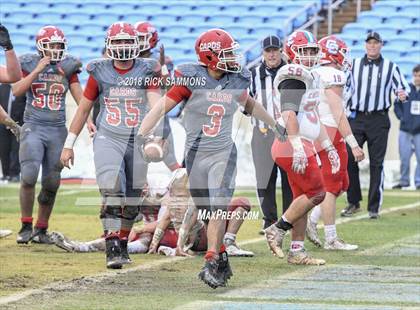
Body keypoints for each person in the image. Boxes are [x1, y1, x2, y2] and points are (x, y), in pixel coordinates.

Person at [137, 28, 286, 288]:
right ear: (209, 57)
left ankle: (211, 260)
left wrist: (274, 124)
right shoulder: (190, 79)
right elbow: (161, 108)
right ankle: (221, 254)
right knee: (207, 210)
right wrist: (141, 132)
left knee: (218, 204)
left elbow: (250, 104)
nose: (233, 59)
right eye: (227, 54)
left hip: (222, 152)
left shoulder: (233, 80)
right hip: (195, 155)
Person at [60, 22, 161, 269]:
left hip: (136, 139)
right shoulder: (100, 70)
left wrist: (154, 136)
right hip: (109, 137)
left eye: (127, 41)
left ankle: (122, 242)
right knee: (112, 188)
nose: (123, 46)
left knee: (134, 199)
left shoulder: (147, 69)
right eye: (117, 42)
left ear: (137, 44)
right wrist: (69, 144)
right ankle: (112, 244)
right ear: (108, 45)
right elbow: (84, 108)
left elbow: (157, 104)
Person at [265, 30, 339, 265]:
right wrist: (296, 145)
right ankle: (278, 228)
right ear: (292, 53)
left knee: (302, 197)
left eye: (312, 51)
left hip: (300, 142)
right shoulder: (293, 75)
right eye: (303, 51)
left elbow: (313, 115)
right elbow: (289, 113)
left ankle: (297, 250)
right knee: (317, 192)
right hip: (290, 142)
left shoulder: (312, 76)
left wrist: (328, 146)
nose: (308, 55)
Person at [12, 25, 83, 244]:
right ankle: (25, 225)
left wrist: (89, 120)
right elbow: (16, 91)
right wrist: (37, 71)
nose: (55, 49)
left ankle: (41, 229)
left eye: (58, 46)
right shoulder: (28, 62)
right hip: (33, 126)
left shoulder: (68, 65)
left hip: (57, 129)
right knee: (29, 175)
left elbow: (81, 97)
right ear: (41, 47)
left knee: (52, 181)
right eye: (51, 45)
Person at [342, 32, 410, 219]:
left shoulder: (391, 67)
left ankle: (373, 207)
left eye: (376, 43)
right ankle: (353, 201)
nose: (372, 46)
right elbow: (344, 87)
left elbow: (402, 86)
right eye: (369, 43)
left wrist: (401, 94)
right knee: (349, 157)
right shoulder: (354, 65)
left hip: (379, 119)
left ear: (381, 45)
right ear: (365, 45)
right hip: (356, 117)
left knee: (376, 164)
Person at [306, 35, 364, 250]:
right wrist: (354, 143)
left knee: (342, 183)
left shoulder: (316, 72)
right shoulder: (333, 74)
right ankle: (331, 238)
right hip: (329, 131)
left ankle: (311, 222)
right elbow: (338, 112)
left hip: (319, 130)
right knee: (330, 187)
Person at [248, 35, 292, 232]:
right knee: (264, 178)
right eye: (268, 50)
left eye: (275, 50)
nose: (272, 54)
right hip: (262, 132)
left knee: (289, 179)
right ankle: (269, 220)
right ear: (263, 53)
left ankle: (289, 219)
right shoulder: (252, 74)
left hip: (286, 133)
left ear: (281, 51)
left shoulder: (290, 72)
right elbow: (246, 104)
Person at [393, 64, 420, 190]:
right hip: (405, 129)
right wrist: (401, 117)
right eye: (415, 75)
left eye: (419, 76)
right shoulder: (406, 89)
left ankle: (418, 182)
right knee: (404, 157)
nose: (417, 78)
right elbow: (397, 104)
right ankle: (404, 181)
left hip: (419, 131)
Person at [0, 83, 25, 183]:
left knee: (16, 149)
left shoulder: (21, 87)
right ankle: (6, 174)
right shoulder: (2, 88)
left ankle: (14, 174)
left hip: (18, 123)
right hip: (2, 124)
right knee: (3, 149)